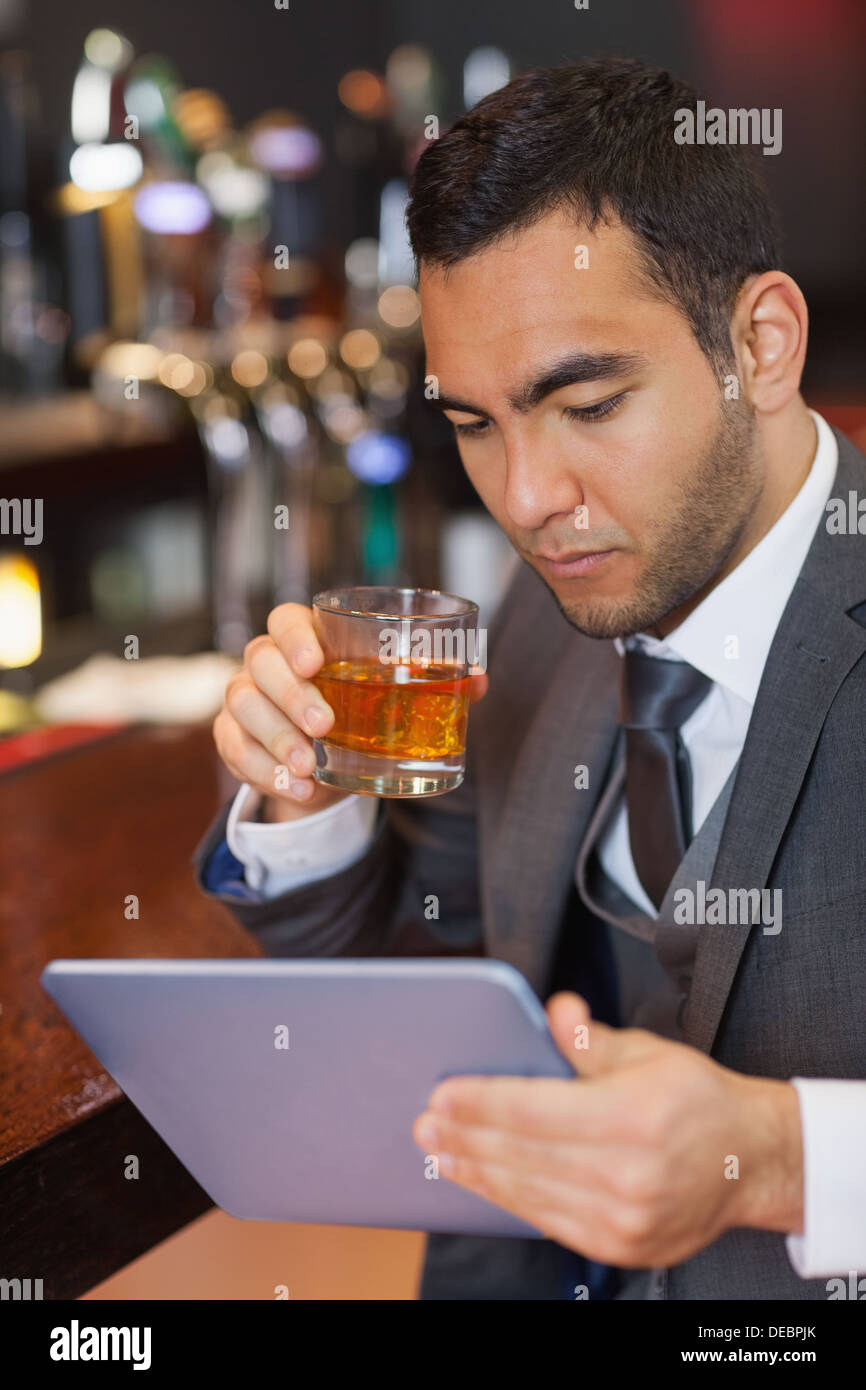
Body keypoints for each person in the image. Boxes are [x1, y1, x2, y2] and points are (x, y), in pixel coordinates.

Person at [195, 57, 866, 1300]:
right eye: (473, 424)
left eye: (588, 403)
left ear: (760, 344)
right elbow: (435, 994)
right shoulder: (549, 604)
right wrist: (308, 807)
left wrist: (772, 1158)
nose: (525, 501)